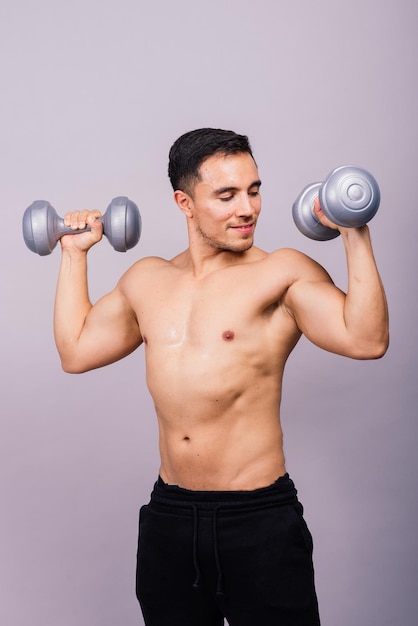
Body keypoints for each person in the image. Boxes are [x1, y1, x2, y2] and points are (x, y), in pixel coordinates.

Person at [54, 128, 389, 625]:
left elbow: (366, 340)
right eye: (227, 195)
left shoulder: (282, 273)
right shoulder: (148, 280)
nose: (248, 208)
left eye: (254, 190)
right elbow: (77, 351)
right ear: (184, 202)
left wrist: (353, 230)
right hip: (170, 519)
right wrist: (74, 255)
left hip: (258, 520)